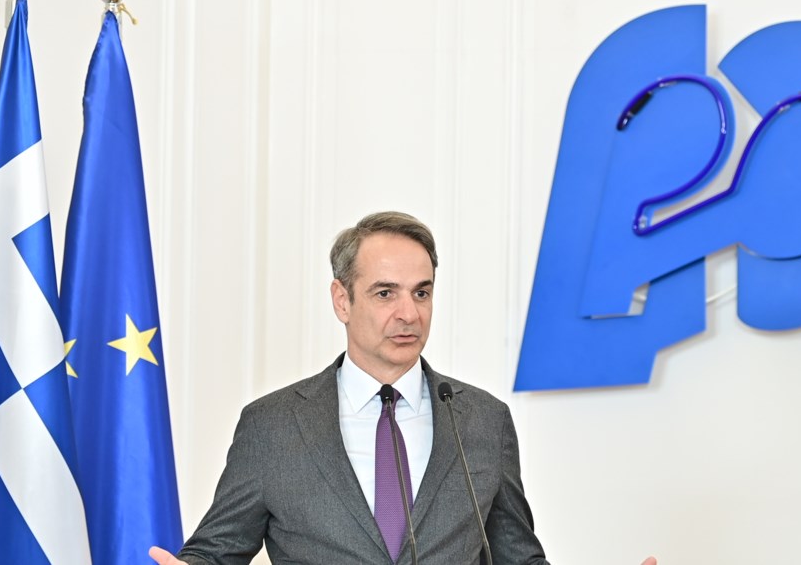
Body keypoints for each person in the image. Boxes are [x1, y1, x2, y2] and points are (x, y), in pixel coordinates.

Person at [149, 212, 656, 564]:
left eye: (422, 292)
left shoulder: (483, 419)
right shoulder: (273, 425)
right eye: (385, 293)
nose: (409, 313)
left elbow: (518, 558)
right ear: (342, 300)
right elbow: (217, 552)